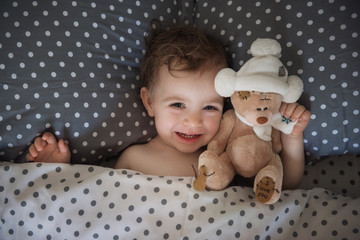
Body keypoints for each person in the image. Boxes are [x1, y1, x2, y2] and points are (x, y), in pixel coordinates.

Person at [26, 24, 311, 189]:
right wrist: (58, 174)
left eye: (210, 108)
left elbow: (283, 187)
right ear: (149, 102)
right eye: (177, 104)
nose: (193, 121)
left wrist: (292, 139)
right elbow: (90, 198)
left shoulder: (227, 160)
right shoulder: (132, 157)